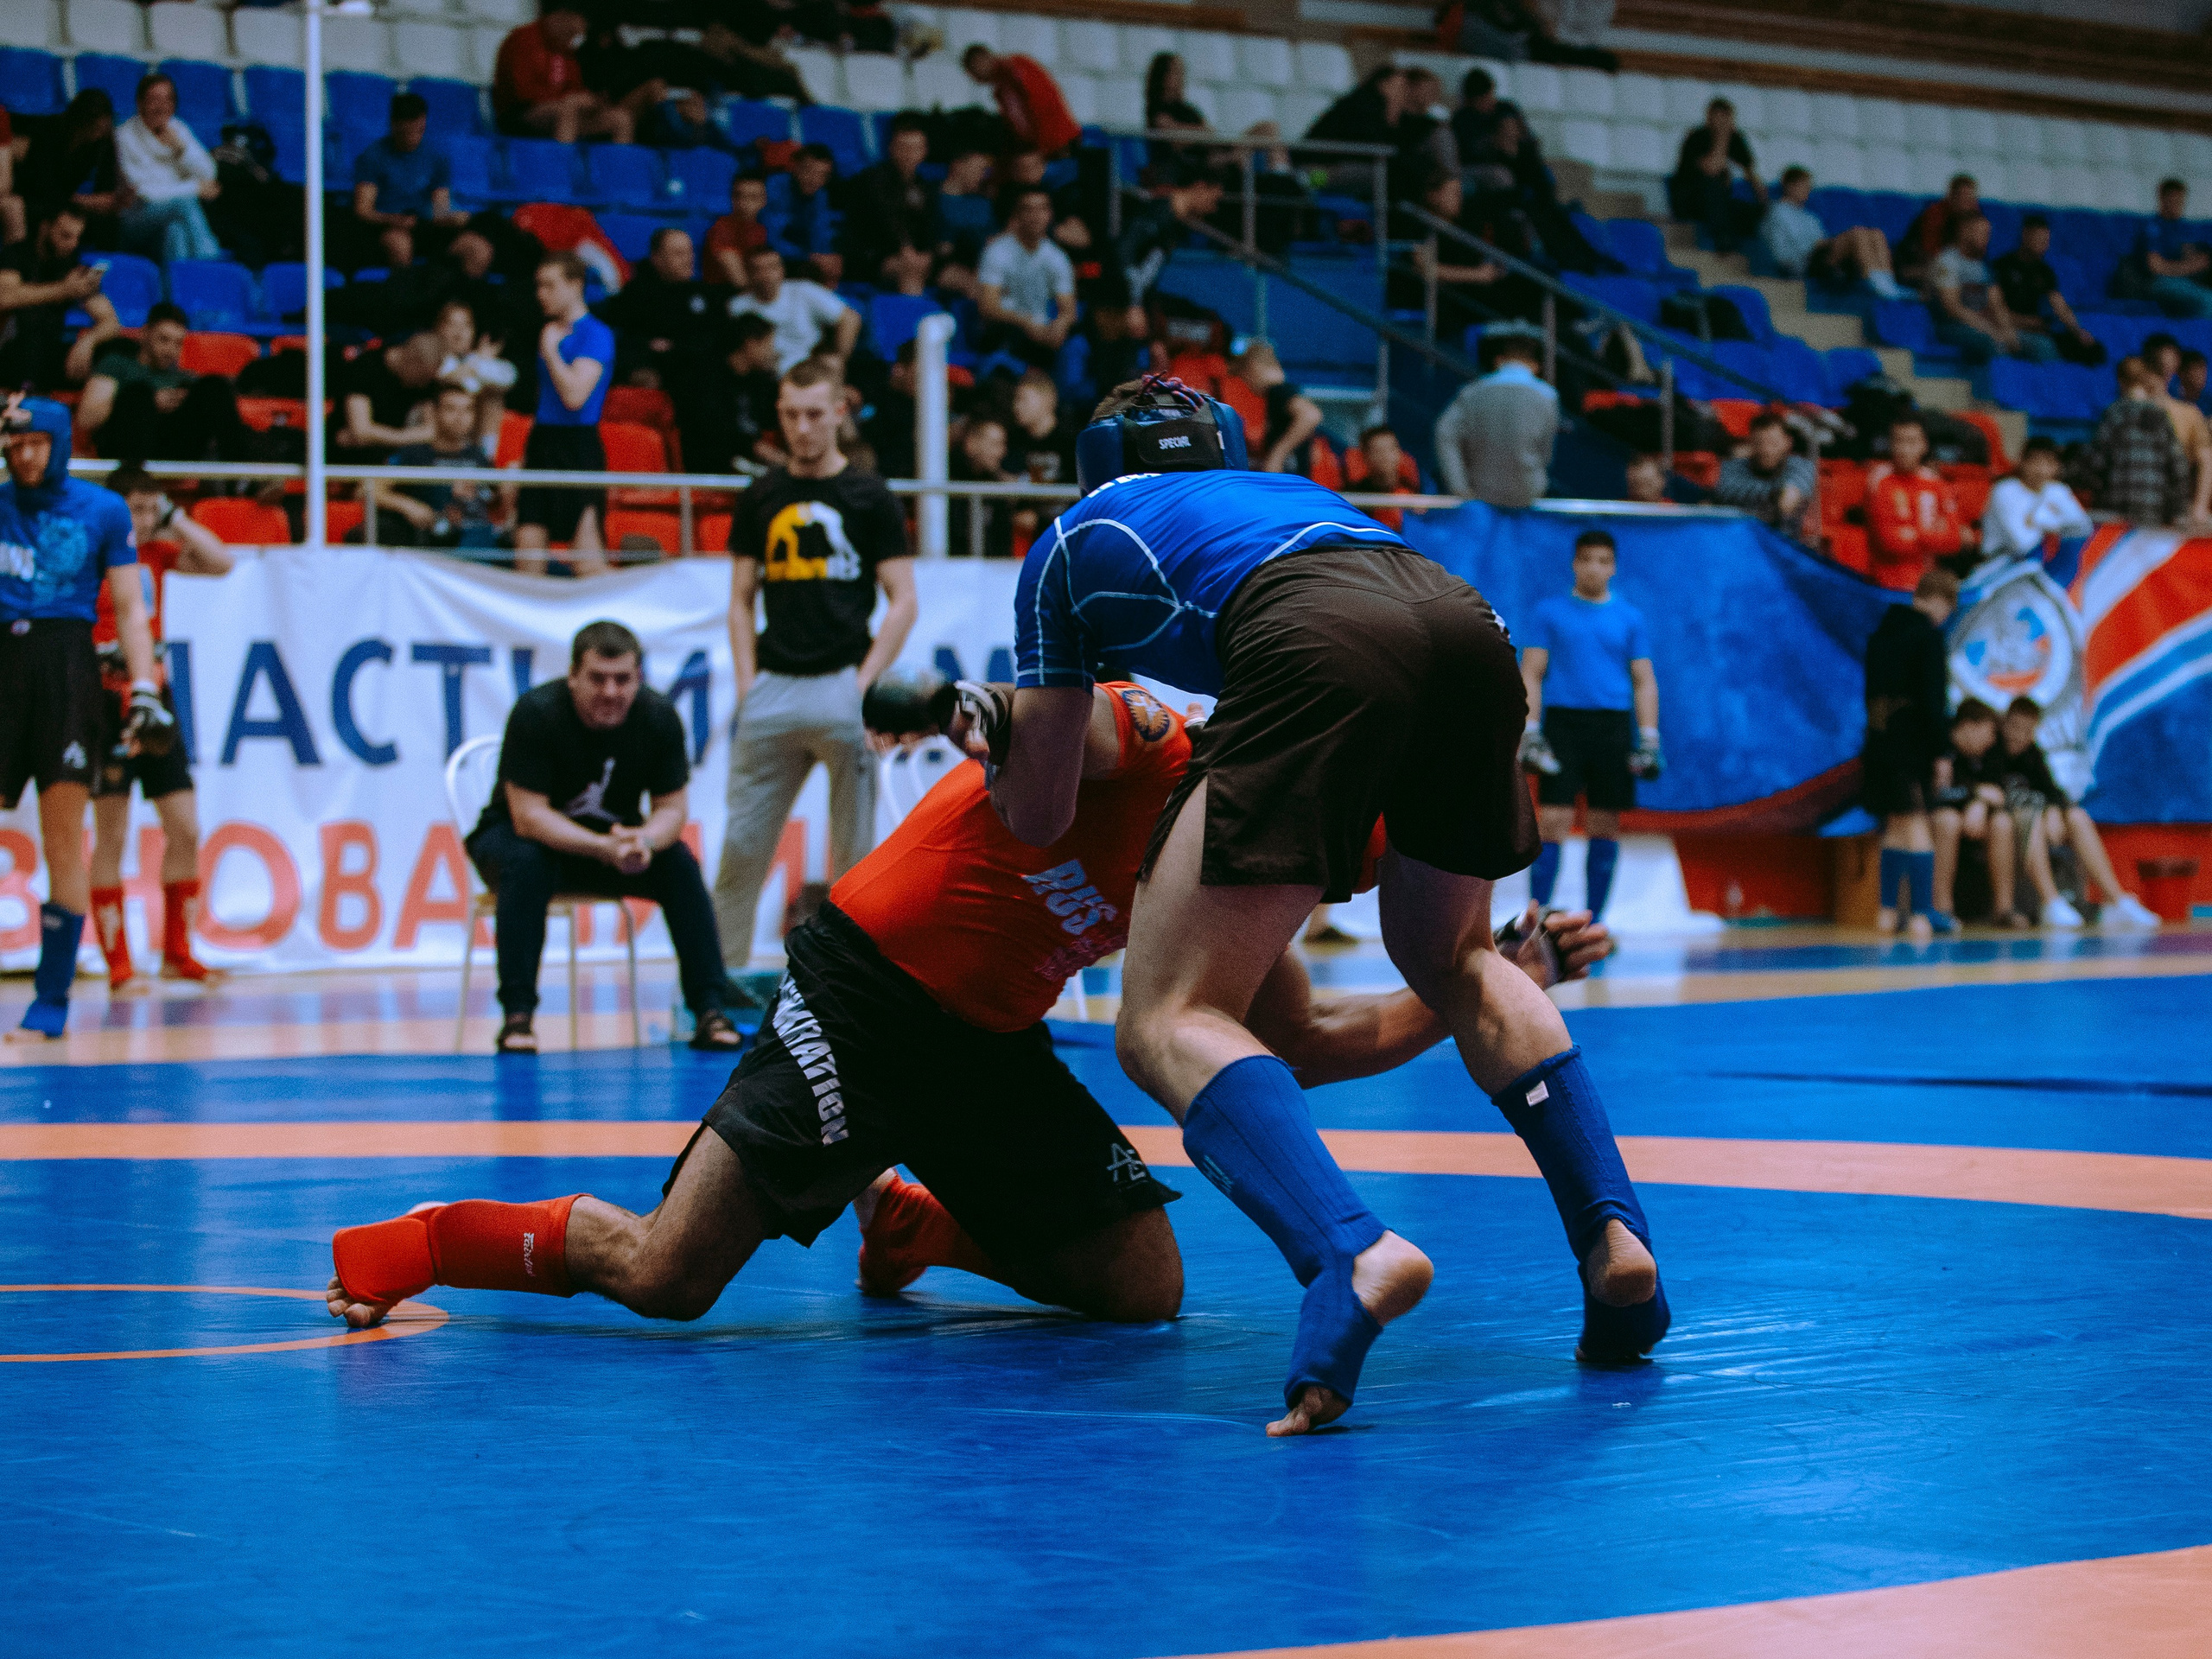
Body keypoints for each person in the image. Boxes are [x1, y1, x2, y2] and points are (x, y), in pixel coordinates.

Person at [325, 679, 1614, 1354]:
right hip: (863, 993)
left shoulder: (1258, 857)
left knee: (1140, 1287)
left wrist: (1484, 986)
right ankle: (435, 1241)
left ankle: (916, 1222)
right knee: (668, 1278)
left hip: (988, 1043)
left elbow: (1309, 1041)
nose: (1312, 890)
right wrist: (998, 716)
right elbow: (1077, 724)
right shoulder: (1163, 741)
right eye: (1337, 872)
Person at [991, 377, 1669, 1434]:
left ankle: (1346, 1251)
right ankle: (1613, 1239)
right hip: (1459, 625)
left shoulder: (1073, 541)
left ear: (1095, 461)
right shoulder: (1284, 491)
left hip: (1317, 648)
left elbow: (1037, 813)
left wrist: (1004, 740)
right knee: (1453, 959)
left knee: (1166, 1018)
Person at [713, 359, 917, 966]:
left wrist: (863, 683)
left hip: (841, 682)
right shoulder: (762, 493)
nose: (801, 427)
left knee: (853, 859)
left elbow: (903, 600)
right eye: (790, 415)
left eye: (812, 414)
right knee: (742, 848)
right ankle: (714, 986)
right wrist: (749, 684)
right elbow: (739, 600)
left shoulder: (868, 494)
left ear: (837, 412)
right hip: (775, 684)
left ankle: (847, 983)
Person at [464, 620, 740, 1054]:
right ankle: (517, 1017)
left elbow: (671, 811)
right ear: (573, 676)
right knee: (527, 862)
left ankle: (709, 1010)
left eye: (623, 680)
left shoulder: (658, 717)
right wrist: (604, 848)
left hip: (612, 845)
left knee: (680, 863)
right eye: (597, 678)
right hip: (521, 841)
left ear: (639, 679)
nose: (611, 692)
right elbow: (529, 817)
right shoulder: (537, 713)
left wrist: (643, 842)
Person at [0, 395, 167, 1040]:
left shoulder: (104, 509)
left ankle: (52, 997)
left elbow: (128, 608)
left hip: (66, 665)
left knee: (64, 838)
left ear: (61, 441)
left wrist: (145, 685)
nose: (23, 456)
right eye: (13, 446)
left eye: (35, 443)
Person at [86, 467, 232, 991]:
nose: (145, 520)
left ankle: (178, 951)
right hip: (104, 700)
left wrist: (175, 517)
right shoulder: (92, 557)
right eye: (136, 509)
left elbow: (221, 562)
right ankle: (118, 963)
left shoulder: (159, 555)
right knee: (112, 833)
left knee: (186, 827)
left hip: (155, 695)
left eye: (152, 509)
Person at [1516, 529, 1659, 923]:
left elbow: (1644, 680)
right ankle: (1538, 921)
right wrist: (1531, 730)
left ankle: (1595, 923)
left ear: (1613, 567)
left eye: (1603, 561)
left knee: (1604, 823)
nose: (1594, 568)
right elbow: (1531, 673)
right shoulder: (1548, 612)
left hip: (1612, 728)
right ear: (1574, 563)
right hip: (1563, 727)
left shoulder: (1630, 618)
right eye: (1587, 559)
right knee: (1554, 821)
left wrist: (1649, 737)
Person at [1995, 697, 2162, 929]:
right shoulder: (1992, 753)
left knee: (2077, 816)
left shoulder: (2032, 755)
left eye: (2026, 730)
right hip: (2009, 827)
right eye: (2014, 727)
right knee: (2030, 817)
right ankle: (2050, 901)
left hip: (2039, 824)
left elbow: (2054, 793)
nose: (2018, 735)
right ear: (2004, 724)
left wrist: (2054, 810)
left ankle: (2116, 899)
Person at [1859, 566, 1959, 940]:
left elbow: (1870, 695)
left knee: (1896, 827)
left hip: (1879, 741)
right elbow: (1935, 701)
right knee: (1917, 826)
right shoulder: (1927, 638)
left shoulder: (1881, 634)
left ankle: (1886, 912)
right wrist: (1942, 752)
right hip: (1911, 743)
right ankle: (1920, 913)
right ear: (1943, 602)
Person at [515, 252, 617, 577]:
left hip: (578, 446)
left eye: (549, 285)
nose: (540, 294)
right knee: (528, 556)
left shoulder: (596, 335)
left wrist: (549, 351)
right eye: (538, 286)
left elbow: (575, 396)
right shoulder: (549, 330)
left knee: (586, 559)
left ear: (575, 286)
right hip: (543, 441)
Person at [74, 302, 249, 463]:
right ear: (144, 334)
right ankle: (133, 480)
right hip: (124, 446)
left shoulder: (183, 378)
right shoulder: (117, 364)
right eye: (163, 340)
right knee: (138, 393)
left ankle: (242, 475)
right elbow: (87, 419)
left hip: (173, 445)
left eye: (178, 343)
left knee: (214, 386)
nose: (170, 350)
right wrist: (151, 402)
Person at [597, 225, 716, 416]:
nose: (689, 259)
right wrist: (645, 346)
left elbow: (711, 340)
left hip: (693, 368)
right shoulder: (636, 294)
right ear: (657, 259)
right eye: (679, 254)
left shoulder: (704, 295)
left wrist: (675, 347)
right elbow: (618, 338)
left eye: (690, 252)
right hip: (653, 366)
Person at [365, 383, 502, 550]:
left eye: (468, 410)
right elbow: (369, 489)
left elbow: (496, 504)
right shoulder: (415, 454)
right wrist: (409, 506)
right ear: (435, 413)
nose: (460, 417)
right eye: (451, 409)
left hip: (483, 548)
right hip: (434, 548)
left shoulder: (479, 456)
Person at [0, 205, 122, 391]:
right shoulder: (17, 255)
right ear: (45, 228)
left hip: (50, 350)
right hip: (12, 347)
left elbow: (110, 322)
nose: (73, 244)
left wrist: (87, 342)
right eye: (66, 235)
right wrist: (64, 290)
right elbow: (6, 297)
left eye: (77, 238)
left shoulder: (71, 264)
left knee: (117, 351)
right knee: (32, 341)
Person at [1433, 330, 1558, 506]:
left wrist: (1459, 486)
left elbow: (1444, 433)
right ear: (1536, 366)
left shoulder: (1473, 392)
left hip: (1480, 491)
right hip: (1528, 494)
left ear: (1499, 360)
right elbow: (1545, 453)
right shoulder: (1548, 396)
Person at [347, 91, 469, 273]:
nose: (413, 136)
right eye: (407, 130)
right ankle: (405, 294)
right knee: (400, 244)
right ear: (394, 125)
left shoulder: (436, 158)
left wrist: (452, 219)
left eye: (418, 130)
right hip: (385, 227)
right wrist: (394, 219)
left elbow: (440, 209)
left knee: (474, 246)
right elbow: (363, 210)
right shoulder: (372, 157)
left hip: (422, 226)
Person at [113, 73, 221, 265]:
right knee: (185, 204)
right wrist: (195, 188)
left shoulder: (178, 129)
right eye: (154, 100)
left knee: (176, 233)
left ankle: (177, 289)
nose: (162, 107)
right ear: (140, 103)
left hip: (169, 220)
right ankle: (211, 263)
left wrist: (182, 150)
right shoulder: (124, 136)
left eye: (167, 100)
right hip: (135, 219)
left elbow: (209, 173)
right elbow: (145, 193)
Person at [493, 7, 639, 144]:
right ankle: (562, 167)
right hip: (520, 115)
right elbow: (524, 92)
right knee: (567, 110)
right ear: (559, 19)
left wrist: (589, 100)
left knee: (621, 118)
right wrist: (569, 100)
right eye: (571, 33)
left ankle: (617, 169)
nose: (573, 40)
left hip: (561, 112)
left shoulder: (564, 48)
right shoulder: (523, 39)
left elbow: (574, 86)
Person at [1931, 699, 2019, 926]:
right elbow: (1938, 794)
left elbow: (1997, 794)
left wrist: (1978, 802)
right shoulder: (1940, 747)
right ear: (1969, 726)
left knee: (2002, 822)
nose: (1991, 741)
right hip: (1933, 819)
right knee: (1948, 820)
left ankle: (2004, 909)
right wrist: (1975, 795)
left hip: (1975, 822)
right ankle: (1943, 908)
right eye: (1988, 733)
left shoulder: (1986, 755)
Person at [1927, 213, 2056, 367]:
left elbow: (1997, 304)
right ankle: (1998, 390)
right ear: (1965, 231)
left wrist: (2008, 331)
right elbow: (1953, 308)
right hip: (1952, 326)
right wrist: (1990, 329)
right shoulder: (1947, 261)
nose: (1986, 238)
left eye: (1987, 234)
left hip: (1984, 325)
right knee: (1996, 344)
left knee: (2043, 345)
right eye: (1981, 233)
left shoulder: (1983, 266)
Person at [1759, 167, 1901, 298]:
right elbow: (1781, 251)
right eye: (1803, 186)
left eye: (1808, 187)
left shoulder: (1809, 217)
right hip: (1803, 261)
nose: (1807, 190)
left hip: (1821, 253)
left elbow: (1821, 240)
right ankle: (1879, 286)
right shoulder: (1777, 212)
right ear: (1790, 186)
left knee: (1876, 234)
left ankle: (1888, 281)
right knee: (1856, 234)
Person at [977, 187, 1077, 372]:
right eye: (1028, 209)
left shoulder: (1057, 257)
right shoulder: (997, 251)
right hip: (1005, 329)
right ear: (1017, 215)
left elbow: (1068, 310)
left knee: (1073, 342)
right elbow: (988, 306)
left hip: (1041, 332)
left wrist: (1060, 325)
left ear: (1050, 214)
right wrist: (1026, 323)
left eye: (1041, 209)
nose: (1035, 216)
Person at [2084, 355, 2188, 528]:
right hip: (2153, 507)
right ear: (2145, 379)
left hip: (2116, 505)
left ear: (2120, 381)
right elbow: (2179, 468)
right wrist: (2175, 510)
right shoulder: (2160, 416)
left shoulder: (2114, 414)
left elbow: (2095, 463)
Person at [1863, 415, 1965, 591]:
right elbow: (1889, 541)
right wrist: (1931, 536)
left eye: (1911, 442)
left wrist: (1913, 533)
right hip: (1887, 586)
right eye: (1898, 441)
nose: (1903, 449)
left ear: (1924, 445)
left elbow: (1954, 540)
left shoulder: (1935, 483)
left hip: (1926, 586)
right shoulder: (1879, 480)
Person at [728, 246, 859, 374]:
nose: (766, 275)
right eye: (758, 269)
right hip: (763, 378)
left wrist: (836, 367)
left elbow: (851, 319)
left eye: (771, 268)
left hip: (809, 373)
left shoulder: (804, 290)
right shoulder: (737, 306)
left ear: (781, 270)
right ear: (748, 273)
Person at [1991, 215, 2101, 365]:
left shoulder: (2044, 271)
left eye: (2047, 241)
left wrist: (2078, 331)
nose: (2045, 245)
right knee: (2045, 348)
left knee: (2089, 350)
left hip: (2036, 328)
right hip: (2007, 326)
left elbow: (2059, 305)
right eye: (2040, 240)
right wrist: (2027, 323)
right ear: (2026, 235)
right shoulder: (2002, 266)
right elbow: (1994, 308)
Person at [841, 115, 936, 286]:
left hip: (912, 256)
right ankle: (912, 312)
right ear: (892, 148)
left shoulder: (924, 186)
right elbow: (886, 218)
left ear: (924, 152)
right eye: (904, 148)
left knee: (963, 275)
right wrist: (905, 249)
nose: (909, 155)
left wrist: (928, 253)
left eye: (915, 149)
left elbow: (930, 225)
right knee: (910, 270)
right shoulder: (873, 180)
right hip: (873, 255)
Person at [328, 328, 442, 461]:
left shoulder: (424, 381)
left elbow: (430, 432)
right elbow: (361, 432)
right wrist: (408, 437)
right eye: (423, 377)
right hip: (349, 458)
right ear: (412, 362)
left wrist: (385, 437)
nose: (424, 384)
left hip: (393, 459)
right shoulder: (365, 367)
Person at [1668, 99, 1764, 254]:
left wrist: (1759, 190)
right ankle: (1723, 239)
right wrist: (1722, 138)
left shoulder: (1735, 138)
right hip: (1691, 197)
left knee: (1749, 209)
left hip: (1718, 199)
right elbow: (1711, 169)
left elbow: (1749, 169)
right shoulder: (1696, 137)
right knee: (1712, 187)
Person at [1980, 435, 2091, 561]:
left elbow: (2083, 529)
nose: (2042, 470)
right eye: (2036, 462)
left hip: (2045, 563)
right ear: (2022, 461)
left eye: (2049, 463)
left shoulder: (2058, 490)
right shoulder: (2005, 490)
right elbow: (2023, 544)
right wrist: (2056, 522)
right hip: (2001, 562)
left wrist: (2037, 520)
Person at [2140, 331, 2212, 523]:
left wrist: (2200, 507)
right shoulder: (2127, 411)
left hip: (2175, 508)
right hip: (2136, 505)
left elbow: (2206, 461)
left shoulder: (2189, 414)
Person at [961, 46, 1079, 158]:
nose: (975, 79)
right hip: (1042, 147)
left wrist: (1042, 149)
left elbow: (1042, 105)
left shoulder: (1015, 69)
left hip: (1058, 144)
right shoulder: (1001, 89)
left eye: (973, 72)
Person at [1714, 411, 1814, 536]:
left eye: (1773, 443)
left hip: (1781, 543)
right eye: (1759, 442)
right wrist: (1775, 495)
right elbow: (1726, 491)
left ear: (1787, 443)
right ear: (1750, 442)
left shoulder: (1801, 466)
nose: (1766, 450)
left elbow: (1790, 498)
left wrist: (1784, 496)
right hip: (1736, 539)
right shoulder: (1732, 466)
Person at [2129, 179, 2212, 321]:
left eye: (2181, 202)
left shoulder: (2183, 228)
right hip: (2157, 283)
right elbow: (2156, 267)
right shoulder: (2153, 228)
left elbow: (2193, 256)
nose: (2178, 206)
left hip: (2186, 282)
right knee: (2207, 300)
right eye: (2174, 201)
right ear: (2163, 199)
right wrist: (2190, 267)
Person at [762, 143, 842, 288]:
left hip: (802, 258)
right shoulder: (775, 187)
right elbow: (770, 238)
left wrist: (827, 259)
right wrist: (810, 256)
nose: (814, 180)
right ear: (795, 167)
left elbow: (820, 235)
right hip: (771, 256)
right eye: (809, 171)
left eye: (822, 175)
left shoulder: (820, 196)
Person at [1897, 175, 1978, 291]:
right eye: (1963, 198)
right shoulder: (1935, 216)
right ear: (1952, 197)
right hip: (1917, 263)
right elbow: (1928, 254)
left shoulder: (1973, 216)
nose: (1968, 203)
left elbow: (1977, 254)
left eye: (1971, 199)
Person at [703, 173, 771, 289]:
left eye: (753, 197)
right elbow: (740, 282)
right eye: (739, 196)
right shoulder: (721, 228)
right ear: (732, 198)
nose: (745, 204)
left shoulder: (764, 227)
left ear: (764, 200)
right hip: (724, 294)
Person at [1346, 424, 1419, 531]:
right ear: (1365, 456)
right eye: (1378, 451)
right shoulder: (1353, 497)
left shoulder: (1416, 490)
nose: (1386, 456)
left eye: (1391, 449)